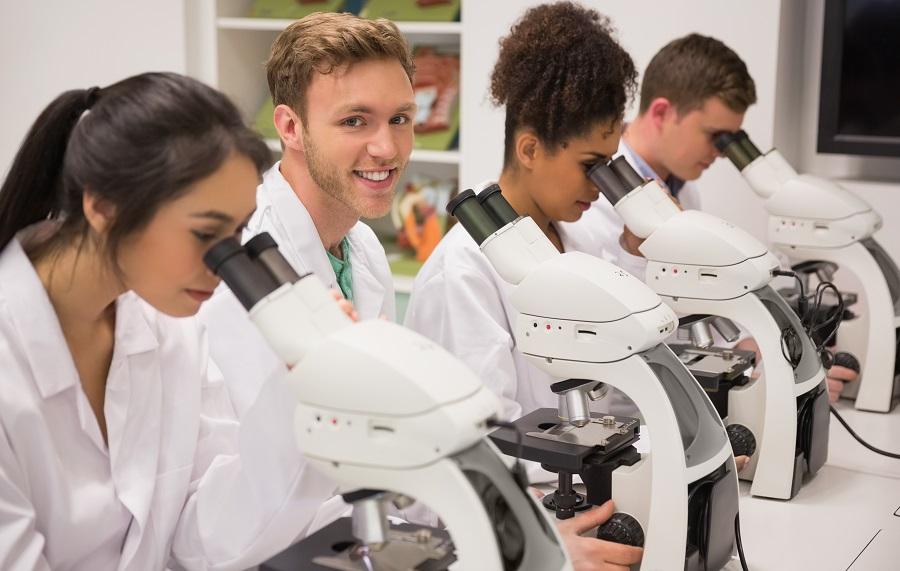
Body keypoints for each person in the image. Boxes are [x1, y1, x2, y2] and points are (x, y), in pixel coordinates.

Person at [0, 72, 337, 569]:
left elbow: (203, 532)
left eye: (238, 233)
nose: (223, 265)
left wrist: (300, 399)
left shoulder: (169, 329)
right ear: (102, 207)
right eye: (205, 232)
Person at [405, 3, 643, 568]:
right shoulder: (462, 272)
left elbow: (615, 393)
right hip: (502, 529)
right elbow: (483, 454)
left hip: (579, 497)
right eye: (591, 164)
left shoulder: (582, 242)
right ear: (530, 148)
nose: (603, 186)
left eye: (610, 164)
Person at [591, 33, 857, 400]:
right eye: (715, 136)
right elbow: (624, 338)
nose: (720, 153)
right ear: (662, 113)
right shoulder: (592, 202)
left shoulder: (682, 189)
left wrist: (772, 360)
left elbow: (694, 310)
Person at [199, 12, 407, 414]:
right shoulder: (244, 268)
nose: (388, 148)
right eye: (354, 121)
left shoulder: (363, 246)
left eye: (399, 119)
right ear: (291, 128)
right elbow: (250, 450)